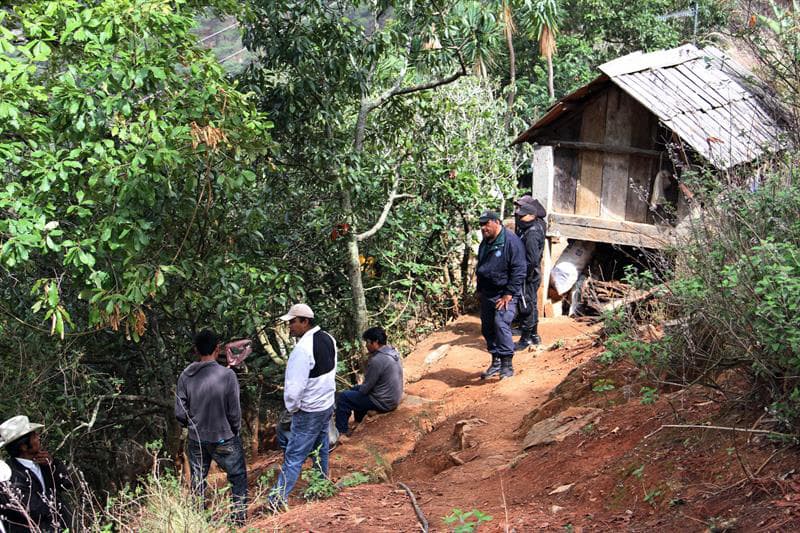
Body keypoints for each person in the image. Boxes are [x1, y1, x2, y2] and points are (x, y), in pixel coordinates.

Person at [268, 303, 337, 510]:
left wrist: (293, 408)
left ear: (304, 322)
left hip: (309, 410)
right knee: (320, 448)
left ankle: (277, 500)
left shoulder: (302, 350)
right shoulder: (328, 339)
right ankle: (321, 488)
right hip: (325, 405)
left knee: (294, 455)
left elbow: (293, 389)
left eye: (292, 322)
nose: (289, 326)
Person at [175, 329, 247, 525]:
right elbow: (234, 412)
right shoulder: (227, 376)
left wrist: (191, 425)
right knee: (237, 476)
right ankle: (239, 522)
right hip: (224, 436)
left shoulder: (185, 376)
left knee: (198, 480)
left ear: (196, 350)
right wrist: (234, 430)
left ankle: (198, 521)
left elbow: (180, 412)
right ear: (217, 349)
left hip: (197, 439)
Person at [476, 209, 527, 380]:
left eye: (486, 223)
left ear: (496, 222)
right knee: (487, 327)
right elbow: (481, 267)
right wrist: (479, 290)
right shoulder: (486, 242)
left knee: (501, 323)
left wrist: (509, 293)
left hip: (505, 293)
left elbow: (520, 269)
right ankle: (496, 361)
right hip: (488, 292)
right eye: (481, 225)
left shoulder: (511, 242)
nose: (483, 228)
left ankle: (507, 365)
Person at [0, 415, 74, 532]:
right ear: (24, 446)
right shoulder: (8, 474)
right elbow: (32, 508)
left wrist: (53, 465)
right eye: (34, 436)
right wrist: (59, 505)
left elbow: (67, 483)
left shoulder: (44, 462)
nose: (38, 437)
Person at [335, 326, 403, 437]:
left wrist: (358, 391)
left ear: (375, 342)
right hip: (393, 397)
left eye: (367, 342)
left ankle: (341, 431)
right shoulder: (392, 352)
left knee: (344, 397)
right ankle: (359, 420)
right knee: (355, 389)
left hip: (383, 401)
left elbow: (366, 388)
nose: (366, 345)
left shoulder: (377, 360)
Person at [513, 195, 547, 350]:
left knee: (527, 304)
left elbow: (532, 259)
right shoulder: (533, 226)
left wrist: (521, 274)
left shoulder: (532, 232)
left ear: (531, 215)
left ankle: (526, 338)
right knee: (530, 302)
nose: (518, 216)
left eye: (521, 214)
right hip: (531, 272)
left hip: (529, 274)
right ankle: (533, 335)